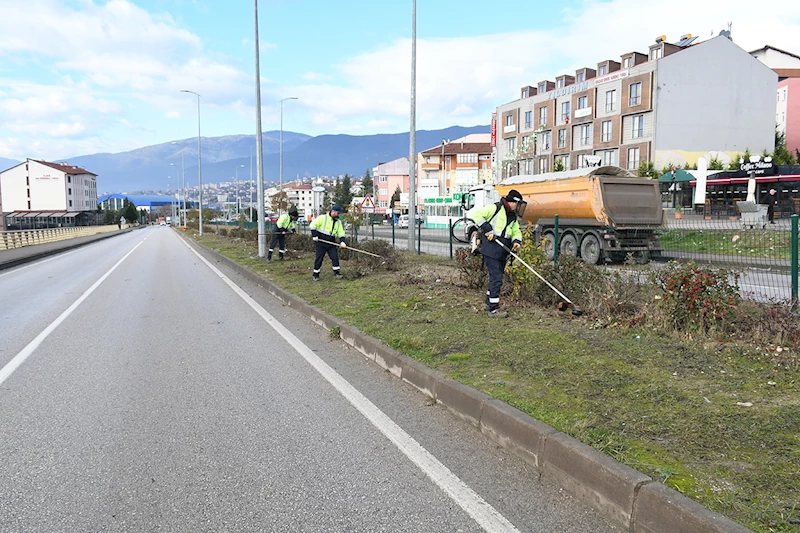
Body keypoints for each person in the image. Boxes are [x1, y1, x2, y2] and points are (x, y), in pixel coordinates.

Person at [472, 189, 525, 318]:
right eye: (518, 204)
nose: (518, 207)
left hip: (502, 250)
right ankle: (494, 309)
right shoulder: (494, 208)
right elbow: (476, 214)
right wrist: (487, 229)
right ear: (512, 202)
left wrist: (517, 241)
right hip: (491, 248)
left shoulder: (512, 216)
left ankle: (489, 301)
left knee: (496, 277)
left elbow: (516, 231)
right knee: (497, 279)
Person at [310, 205, 347, 281]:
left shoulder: (338, 222)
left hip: (331, 242)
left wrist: (342, 241)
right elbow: (312, 225)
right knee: (319, 258)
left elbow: (341, 232)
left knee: (335, 257)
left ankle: (336, 273)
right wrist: (315, 236)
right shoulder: (322, 218)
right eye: (337, 213)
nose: (338, 215)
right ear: (333, 212)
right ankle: (316, 274)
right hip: (321, 241)